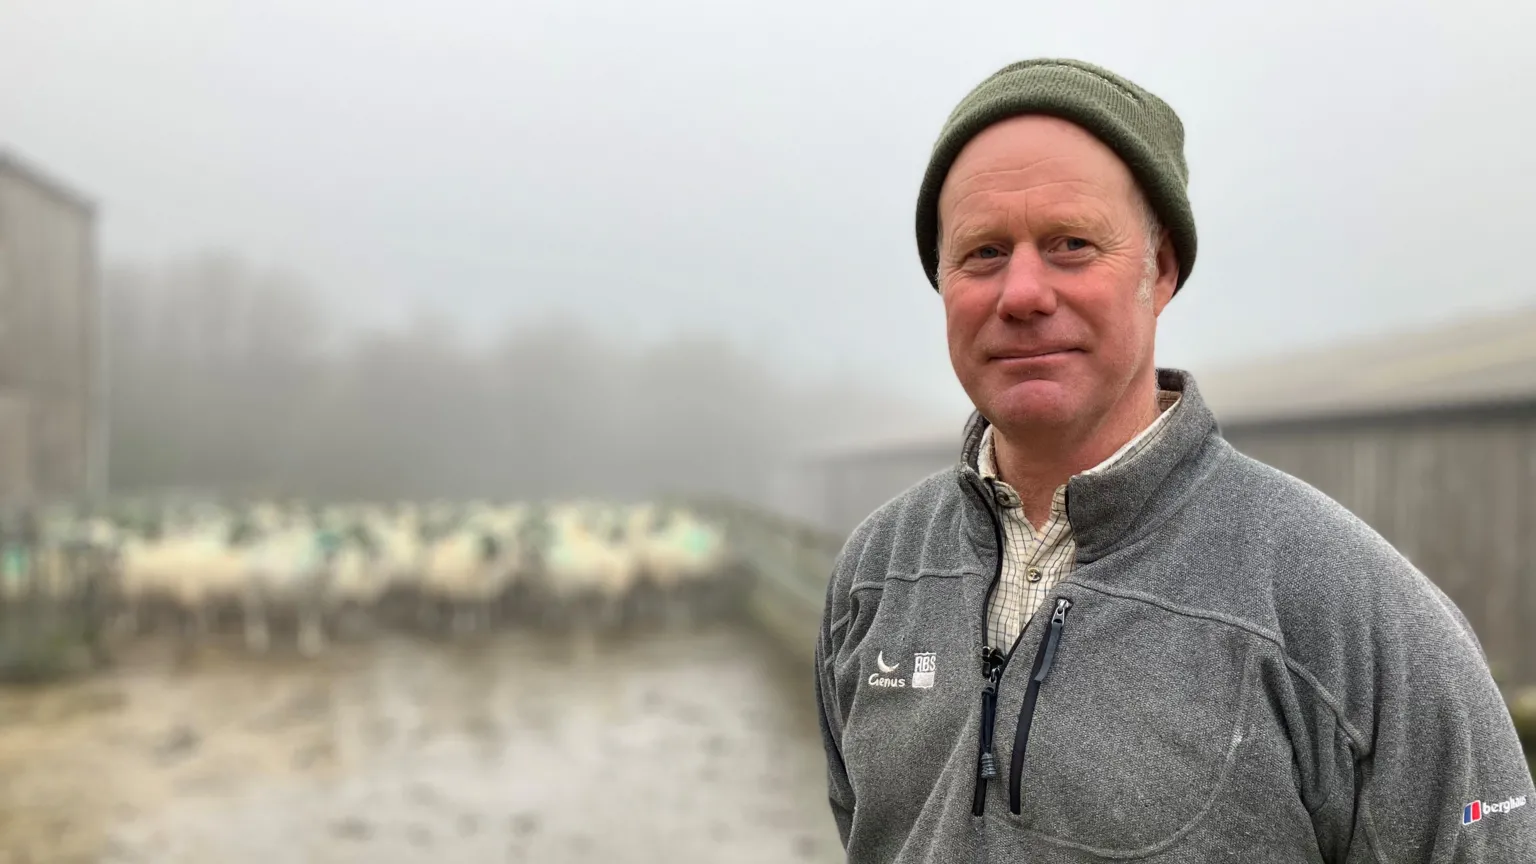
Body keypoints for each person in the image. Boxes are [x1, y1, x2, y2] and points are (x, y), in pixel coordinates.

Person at [812, 58, 1534, 863]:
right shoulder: (876, 575)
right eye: (982, 253)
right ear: (942, 282)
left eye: (1071, 244)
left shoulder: (1347, 609)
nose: (1021, 292)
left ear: (1161, 272)